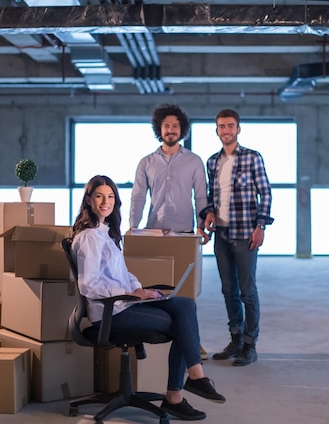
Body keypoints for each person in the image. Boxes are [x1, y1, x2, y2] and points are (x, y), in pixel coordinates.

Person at [71, 175, 225, 421]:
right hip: (111, 313)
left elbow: (123, 273)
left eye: (110, 196)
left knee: (185, 303)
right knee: (181, 324)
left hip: (126, 303)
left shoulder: (106, 234)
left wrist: (141, 290)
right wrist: (129, 294)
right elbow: (89, 284)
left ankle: (195, 378)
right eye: (99, 196)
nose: (105, 202)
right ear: (89, 200)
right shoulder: (89, 237)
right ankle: (181, 391)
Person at [200, 109, 273, 367]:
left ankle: (250, 345)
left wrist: (261, 226)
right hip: (221, 235)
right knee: (229, 290)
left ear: (238, 129)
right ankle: (235, 339)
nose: (226, 130)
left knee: (248, 291)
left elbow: (265, 192)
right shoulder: (212, 162)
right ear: (217, 130)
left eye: (231, 126)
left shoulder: (252, 158)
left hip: (246, 235)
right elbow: (210, 196)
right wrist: (206, 215)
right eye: (222, 126)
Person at [130, 103, 209, 244]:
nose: (170, 130)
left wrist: (201, 226)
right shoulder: (146, 163)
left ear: (182, 129)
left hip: (184, 233)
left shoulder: (194, 161)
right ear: (159, 129)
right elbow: (138, 197)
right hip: (153, 232)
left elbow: (200, 197)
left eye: (175, 126)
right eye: (166, 126)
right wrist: (133, 226)